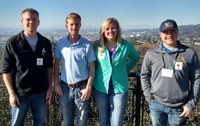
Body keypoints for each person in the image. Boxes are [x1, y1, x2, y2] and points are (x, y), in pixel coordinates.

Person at [140, 19, 200, 126]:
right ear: (160, 34)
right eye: (165, 32)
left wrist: (191, 104)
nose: (169, 35)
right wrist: (149, 96)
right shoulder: (151, 53)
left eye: (172, 31)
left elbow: (197, 78)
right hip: (156, 104)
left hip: (180, 106)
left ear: (177, 32)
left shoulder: (190, 53)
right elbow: (144, 75)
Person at [1, 8, 53, 126]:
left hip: (40, 92)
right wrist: (11, 93)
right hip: (20, 93)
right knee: (17, 123)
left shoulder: (45, 42)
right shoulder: (13, 42)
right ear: (22, 21)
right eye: (28, 19)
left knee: (40, 123)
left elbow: (49, 67)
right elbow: (6, 70)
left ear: (39, 22)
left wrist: (49, 88)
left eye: (34, 20)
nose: (31, 22)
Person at [92, 17, 140, 126]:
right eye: (107, 28)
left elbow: (135, 58)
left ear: (118, 29)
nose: (110, 31)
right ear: (103, 31)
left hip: (119, 88)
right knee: (104, 121)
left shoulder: (125, 45)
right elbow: (93, 65)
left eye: (113, 28)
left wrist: (124, 70)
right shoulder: (96, 46)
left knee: (117, 122)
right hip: (100, 87)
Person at [54, 12, 96, 126]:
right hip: (64, 88)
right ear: (66, 25)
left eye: (77, 24)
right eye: (71, 24)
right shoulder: (60, 44)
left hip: (82, 87)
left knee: (82, 122)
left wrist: (88, 87)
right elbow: (56, 63)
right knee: (67, 122)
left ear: (80, 25)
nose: (74, 27)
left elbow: (92, 67)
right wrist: (56, 84)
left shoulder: (87, 44)